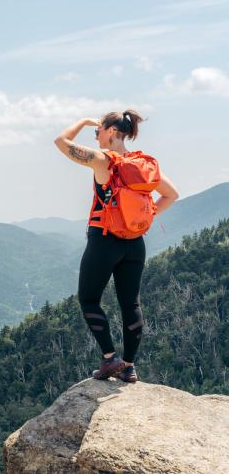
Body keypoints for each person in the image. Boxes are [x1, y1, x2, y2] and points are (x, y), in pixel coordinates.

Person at [53, 110, 179, 383]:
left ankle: (110, 358)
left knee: (88, 299)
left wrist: (84, 121)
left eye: (98, 130)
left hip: (105, 240)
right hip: (135, 243)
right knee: (130, 303)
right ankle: (130, 367)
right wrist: (144, 218)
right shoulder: (142, 165)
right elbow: (172, 194)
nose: (95, 135)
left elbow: (61, 142)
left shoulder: (103, 161)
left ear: (110, 131)